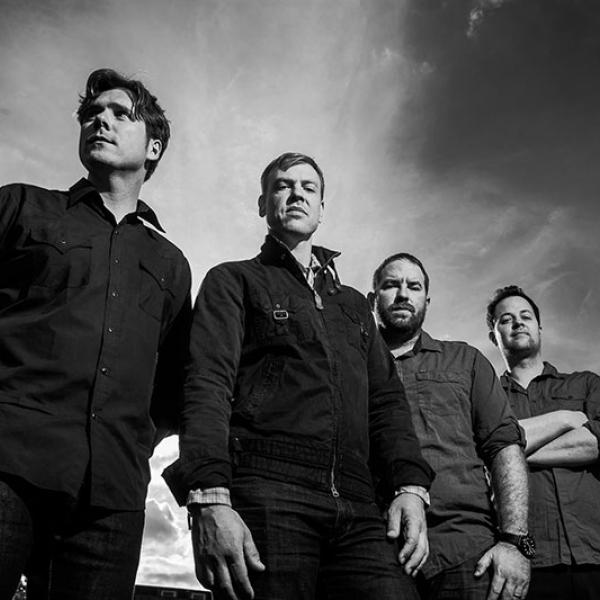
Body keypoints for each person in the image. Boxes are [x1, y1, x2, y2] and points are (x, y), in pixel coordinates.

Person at [164, 152, 434, 600]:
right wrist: (209, 497)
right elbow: (206, 384)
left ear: (322, 208)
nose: (296, 194)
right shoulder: (233, 281)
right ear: (263, 204)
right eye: (283, 185)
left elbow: (386, 402)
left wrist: (410, 486)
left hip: (360, 505)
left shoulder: (353, 306)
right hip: (267, 493)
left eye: (309, 188)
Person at [0, 68, 192, 599]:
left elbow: (173, 385)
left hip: (111, 498)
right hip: (8, 461)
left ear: (153, 147)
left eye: (119, 114)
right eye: (91, 113)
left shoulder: (171, 264)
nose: (99, 121)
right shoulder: (20, 208)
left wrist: (131, 442)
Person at [370, 253, 532, 600]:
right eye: (391, 285)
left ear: (427, 302)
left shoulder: (465, 360)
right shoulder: (351, 366)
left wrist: (514, 542)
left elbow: (504, 446)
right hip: (375, 552)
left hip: (466, 550)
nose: (403, 294)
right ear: (373, 298)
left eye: (414, 287)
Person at [487, 285, 600, 600]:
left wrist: (505, 456)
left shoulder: (586, 384)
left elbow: (596, 442)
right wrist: (565, 419)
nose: (517, 323)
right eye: (506, 319)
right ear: (493, 336)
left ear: (539, 327)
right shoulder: (487, 399)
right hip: (529, 560)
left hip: (595, 551)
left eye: (526, 316)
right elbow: (477, 453)